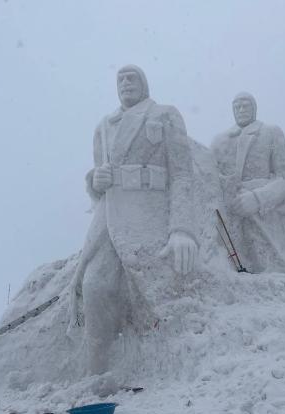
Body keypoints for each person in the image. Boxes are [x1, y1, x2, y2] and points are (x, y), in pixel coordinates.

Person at [68, 65, 198, 374]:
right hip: (110, 216)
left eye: (132, 78)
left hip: (150, 214)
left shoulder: (165, 114)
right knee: (94, 284)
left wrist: (182, 228)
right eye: (120, 79)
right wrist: (94, 181)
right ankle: (98, 370)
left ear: (144, 84)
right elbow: (99, 180)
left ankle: (172, 365)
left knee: (158, 292)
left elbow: (182, 175)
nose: (126, 83)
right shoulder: (104, 125)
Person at [211, 92, 285, 273]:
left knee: (274, 270)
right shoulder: (219, 140)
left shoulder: (270, 132)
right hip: (229, 214)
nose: (241, 110)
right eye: (237, 107)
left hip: (262, 213)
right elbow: (210, 178)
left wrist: (258, 198)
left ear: (254, 109)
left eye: (246, 105)